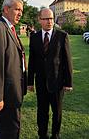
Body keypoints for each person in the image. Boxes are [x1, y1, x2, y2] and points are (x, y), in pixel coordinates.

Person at [0, 0, 27, 139]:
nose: (20, 13)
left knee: (8, 129)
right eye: (17, 9)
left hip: (14, 91)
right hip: (6, 95)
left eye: (21, 10)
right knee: (9, 131)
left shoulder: (9, 28)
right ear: (6, 9)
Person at [27, 8, 73, 139]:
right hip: (41, 82)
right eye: (46, 19)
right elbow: (32, 61)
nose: (49, 21)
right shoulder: (34, 37)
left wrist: (68, 82)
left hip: (57, 82)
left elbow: (67, 61)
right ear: (39, 20)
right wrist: (30, 82)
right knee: (42, 111)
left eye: (51, 18)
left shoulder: (62, 36)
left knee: (57, 111)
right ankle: (42, 135)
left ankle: (55, 135)